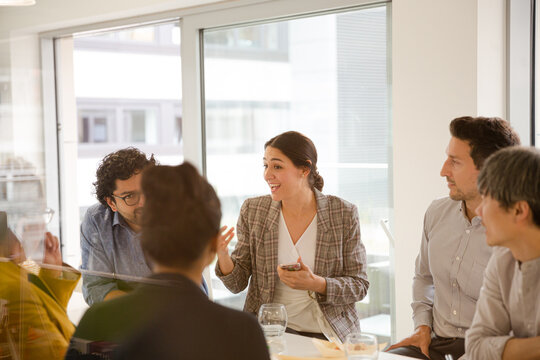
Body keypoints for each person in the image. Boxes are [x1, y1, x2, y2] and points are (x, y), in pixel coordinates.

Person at [67, 163, 270, 360]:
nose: (140, 202)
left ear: (146, 244)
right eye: (130, 196)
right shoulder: (242, 331)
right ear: (213, 248)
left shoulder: (96, 321)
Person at [387, 116, 520, 360]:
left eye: (455, 162)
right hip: (435, 342)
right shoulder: (437, 212)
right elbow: (423, 277)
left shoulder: (517, 232)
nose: (443, 170)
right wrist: (422, 327)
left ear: (490, 168)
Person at [215, 131, 369, 342]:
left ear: (304, 169)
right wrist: (223, 256)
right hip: (270, 334)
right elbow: (237, 283)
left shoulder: (342, 213)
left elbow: (359, 285)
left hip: (327, 334)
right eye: (265, 165)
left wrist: (316, 283)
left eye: (277, 166)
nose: (268, 174)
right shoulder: (254, 210)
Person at [80, 148, 209, 305]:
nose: (143, 202)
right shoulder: (97, 220)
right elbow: (97, 288)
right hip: (129, 315)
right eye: (130, 196)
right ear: (111, 202)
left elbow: (186, 283)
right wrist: (144, 307)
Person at [465, 147, 540, 360]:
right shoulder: (502, 259)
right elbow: (477, 347)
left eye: (486, 199)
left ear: (519, 211)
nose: (479, 211)